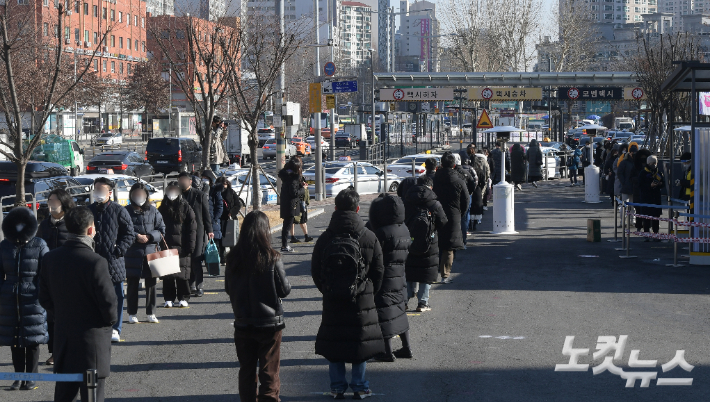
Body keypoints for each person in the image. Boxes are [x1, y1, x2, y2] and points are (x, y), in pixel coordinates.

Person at [311, 189, 385, 399]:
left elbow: (316, 270)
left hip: (333, 297)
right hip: (361, 298)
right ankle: (360, 386)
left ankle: (337, 387)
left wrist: (327, 289)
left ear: (335, 208)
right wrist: (370, 291)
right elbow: (379, 270)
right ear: (358, 208)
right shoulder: (369, 236)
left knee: (335, 342)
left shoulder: (326, 238)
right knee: (359, 342)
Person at [39, 206, 117, 402]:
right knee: (92, 395)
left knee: (64, 394)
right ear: (91, 230)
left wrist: (61, 314)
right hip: (92, 342)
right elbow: (109, 305)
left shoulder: (50, 258)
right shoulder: (96, 262)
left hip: (64, 338)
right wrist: (107, 323)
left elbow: (43, 296)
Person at [226, 211, 291, 402]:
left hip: (243, 321)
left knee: (246, 370)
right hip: (270, 323)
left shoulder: (233, 258)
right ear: (265, 230)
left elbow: (229, 288)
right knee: (269, 369)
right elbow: (284, 290)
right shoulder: (272, 257)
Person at [0, 207, 49, 391]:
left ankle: (31, 376)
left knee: (33, 340)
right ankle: (18, 376)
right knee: (15, 340)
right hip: (10, 297)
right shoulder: (5, 245)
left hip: (33, 297)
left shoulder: (39, 244)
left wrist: (40, 293)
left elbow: (45, 274)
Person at [89, 177, 135, 343]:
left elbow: (129, 234)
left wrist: (119, 250)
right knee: (94, 297)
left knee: (115, 297)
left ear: (109, 192)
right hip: (92, 261)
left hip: (113, 261)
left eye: (101, 190)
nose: (98, 193)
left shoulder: (118, 210)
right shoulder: (88, 210)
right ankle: (98, 327)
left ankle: (116, 328)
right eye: (96, 190)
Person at [367, 194, 412, 362]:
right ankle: (406, 347)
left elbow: (374, 257)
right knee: (399, 309)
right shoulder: (404, 228)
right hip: (400, 275)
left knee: (383, 311)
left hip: (384, 277)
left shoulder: (381, 233)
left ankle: (387, 352)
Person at [36, 188, 75, 366]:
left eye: (54, 201)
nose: (51, 204)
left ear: (63, 202)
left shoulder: (72, 222)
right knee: (51, 317)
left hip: (68, 276)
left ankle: (70, 350)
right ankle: (54, 352)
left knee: (67, 316)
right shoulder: (44, 225)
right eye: (49, 200)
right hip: (48, 276)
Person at [404, 176, 447, 312]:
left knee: (409, 268)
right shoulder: (433, 203)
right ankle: (423, 302)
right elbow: (443, 220)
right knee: (427, 270)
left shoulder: (406, 200)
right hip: (429, 240)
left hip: (408, 239)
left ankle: (404, 300)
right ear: (431, 187)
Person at [125, 183, 166, 324]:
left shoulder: (153, 211)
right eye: (136, 194)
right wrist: (136, 236)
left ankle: (151, 312)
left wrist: (150, 236)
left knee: (151, 284)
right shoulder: (125, 211)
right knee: (132, 284)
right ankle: (132, 313)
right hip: (132, 252)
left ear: (146, 196)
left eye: (141, 195)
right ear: (131, 195)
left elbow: (161, 229)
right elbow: (123, 230)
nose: (139, 197)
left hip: (150, 252)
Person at [159, 182, 197, 308]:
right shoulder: (162, 207)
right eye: (170, 190)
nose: (172, 192)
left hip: (182, 246)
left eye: (175, 190)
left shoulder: (186, 207)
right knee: (167, 275)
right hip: (167, 245)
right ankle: (168, 298)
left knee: (182, 275)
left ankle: (184, 297)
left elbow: (192, 228)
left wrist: (190, 246)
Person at [433, 152, 469, 284]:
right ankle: (445, 275)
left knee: (435, 243)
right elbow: (466, 199)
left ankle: (431, 274)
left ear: (441, 164)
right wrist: (460, 213)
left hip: (436, 213)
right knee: (449, 247)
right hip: (453, 215)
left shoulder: (435, 178)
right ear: (454, 165)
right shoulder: (458, 180)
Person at [179, 171, 212, 297]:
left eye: (184, 180)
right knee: (186, 259)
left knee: (196, 259)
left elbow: (206, 214)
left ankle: (199, 286)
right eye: (180, 180)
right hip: (183, 232)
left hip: (198, 231)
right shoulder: (178, 195)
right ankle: (190, 285)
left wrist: (210, 230)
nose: (182, 182)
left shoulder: (200, 195)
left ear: (190, 182)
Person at [278, 157, 306, 252]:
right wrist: (303, 189)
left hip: (285, 202)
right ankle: (284, 246)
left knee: (286, 225)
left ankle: (284, 245)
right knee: (287, 226)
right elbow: (294, 193)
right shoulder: (293, 178)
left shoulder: (285, 176)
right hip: (291, 204)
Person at [201, 169, 224, 272]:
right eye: (203, 178)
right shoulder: (200, 189)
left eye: (206, 179)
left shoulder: (215, 190)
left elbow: (220, 206)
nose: (204, 180)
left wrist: (215, 218)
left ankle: (214, 266)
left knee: (214, 245)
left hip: (213, 221)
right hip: (202, 221)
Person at [638, 155, 665, 241]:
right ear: (648, 163)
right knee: (646, 217)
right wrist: (650, 185)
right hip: (646, 198)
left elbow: (664, 183)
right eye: (651, 163)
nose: (653, 165)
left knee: (656, 218)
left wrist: (660, 184)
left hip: (656, 198)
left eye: (655, 163)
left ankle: (656, 234)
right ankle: (646, 234)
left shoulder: (659, 173)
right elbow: (640, 185)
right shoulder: (643, 173)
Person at [453, 153, 477, 248]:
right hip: (466, 198)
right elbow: (473, 184)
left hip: (454, 199)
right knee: (464, 219)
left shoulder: (451, 173)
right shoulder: (467, 172)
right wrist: (469, 194)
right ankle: (463, 241)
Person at [216, 176, 241, 260]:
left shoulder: (231, 192)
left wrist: (232, 212)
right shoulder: (215, 192)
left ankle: (233, 257)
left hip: (230, 218)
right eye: (221, 184)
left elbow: (238, 204)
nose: (223, 186)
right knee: (220, 238)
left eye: (224, 184)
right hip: (220, 219)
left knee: (232, 237)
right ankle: (222, 257)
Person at [291, 173, 314, 244]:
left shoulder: (303, 183)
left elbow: (306, 195)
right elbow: (295, 193)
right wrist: (303, 188)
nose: (303, 182)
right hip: (296, 203)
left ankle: (306, 236)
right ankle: (292, 236)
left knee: (303, 220)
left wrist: (307, 202)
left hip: (303, 204)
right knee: (293, 220)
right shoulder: (294, 182)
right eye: (301, 181)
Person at [470, 152, 489, 231]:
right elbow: (483, 181)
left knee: (470, 208)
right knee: (476, 208)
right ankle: (474, 224)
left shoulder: (468, 170)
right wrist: (480, 188)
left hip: (469, 190)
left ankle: (469, 225)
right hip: (477, 190)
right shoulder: (479, 170)